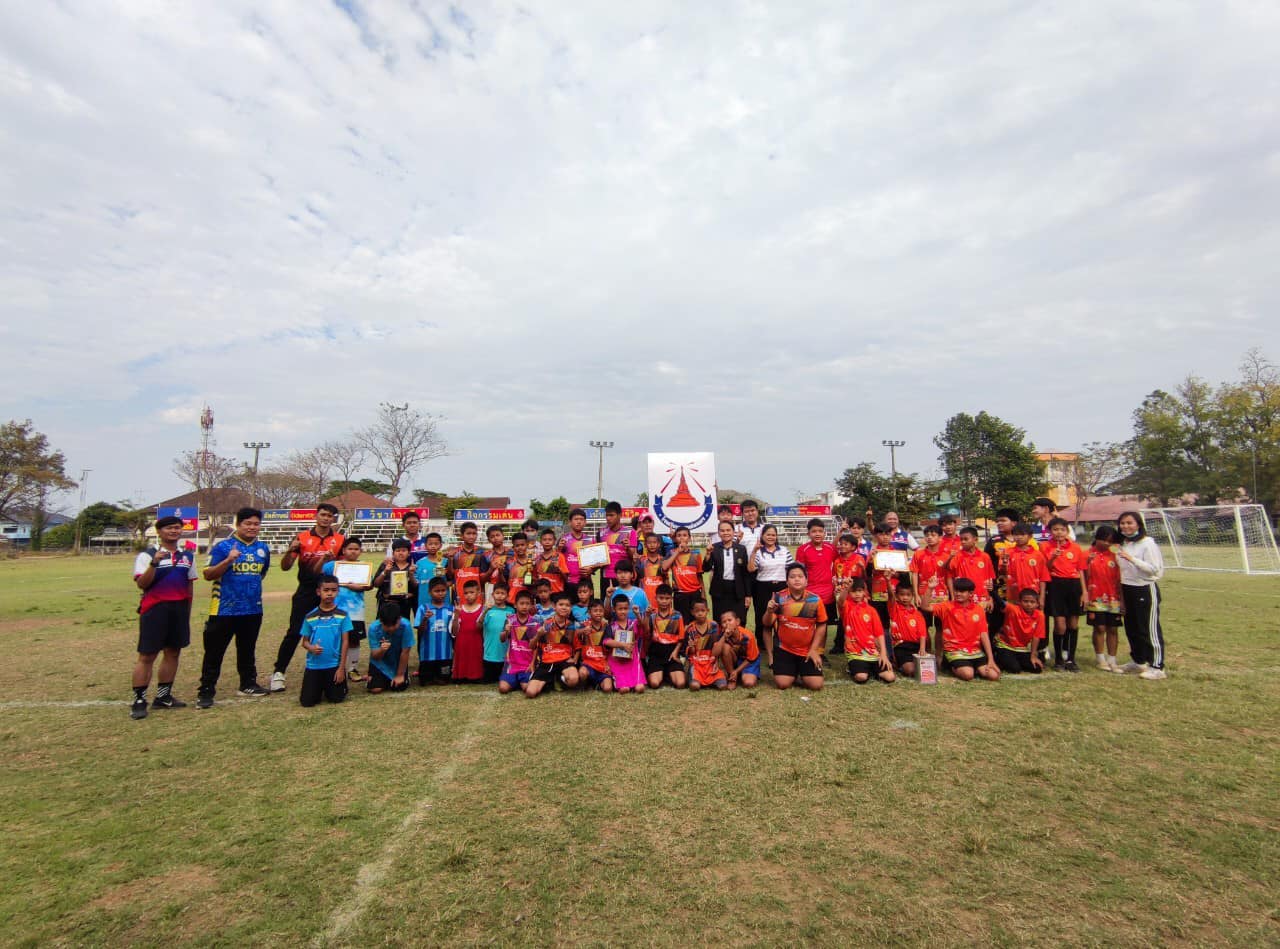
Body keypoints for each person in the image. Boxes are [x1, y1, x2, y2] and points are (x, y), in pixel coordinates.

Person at [198, 507, 271, 708]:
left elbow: (261, 573)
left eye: (256, 524)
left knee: (247, 649)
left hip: (252, 609)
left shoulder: (263, 548)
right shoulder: (223, 547)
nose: (252, 527)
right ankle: (206, 691)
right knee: (214, 652)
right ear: (238, 525)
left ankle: (248, 684)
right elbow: (208, 574)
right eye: (248, 523)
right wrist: (229, 560)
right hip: (224, 609)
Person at [271, 501, 345, 693]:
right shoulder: (302, 537)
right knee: (295, 631)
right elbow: (285, 567)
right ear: (316, 516)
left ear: (333, 519)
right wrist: (290, 549)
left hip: (329, 591)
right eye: (323, 514)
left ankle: (333, 669)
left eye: (329, 516)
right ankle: (279, 672)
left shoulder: (339, 539)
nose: (326, 519)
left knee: (332, 630)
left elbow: (344, 567)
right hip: (306, 590)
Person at [129, 515, 198, 719]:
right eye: (169, 528)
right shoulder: (147, 555)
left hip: (179, 609)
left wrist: (187, 612)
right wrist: (154, 564)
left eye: (177, 528)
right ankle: (139, 699)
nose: (174, 531)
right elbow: (142, 584)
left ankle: (163, 696)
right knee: (147, 655)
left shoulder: (187, 556)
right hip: (155, 609)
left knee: (173, 652)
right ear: (159, 531)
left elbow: (189, 585)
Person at [1115, 511, 1167, 679]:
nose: (1126, 526)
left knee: (1148, 629)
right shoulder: (1123, 543)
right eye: (1122, 523)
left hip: (1144, 588)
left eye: (1129, 523)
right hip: (1127, 588)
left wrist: (1132, 559)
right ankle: (1138, 661)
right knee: (1132, 628)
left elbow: (1154, 569)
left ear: (1138, 524)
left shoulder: (1147, 543)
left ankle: (1157, 667)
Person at [763, 562, 826, 691]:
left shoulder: (815, 600)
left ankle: (800, 671)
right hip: (784, 649)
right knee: (782, 684)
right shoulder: (778, 598)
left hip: (806, 650)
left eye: (800, 576)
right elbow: (767, 624)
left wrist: (814, 650)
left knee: (816, 685)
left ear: (806, 581)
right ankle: (791, 671)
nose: (796, 579)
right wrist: (769, 612)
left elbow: (821, 625)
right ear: (787, 581)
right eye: (792, 577)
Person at [928, 578, 999, 682]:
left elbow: (984, 634)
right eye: (956, 590)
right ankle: (949, 665)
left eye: (961, 591)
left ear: (971, 594)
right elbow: (925, 607)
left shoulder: (979, 609)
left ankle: (973, 668)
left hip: (975, 651)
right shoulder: (947, 606)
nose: (957, 593)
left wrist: (991, 659)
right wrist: (930, 589)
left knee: (994, 676)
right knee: (968, 675)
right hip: (954, 651)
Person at [322, 537, 370, 682]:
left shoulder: (364, 567)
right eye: (350, 549)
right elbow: (321, 575)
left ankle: (352, 669)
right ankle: (336, 667)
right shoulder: (333, 565)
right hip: (335, 610)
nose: (353, 552)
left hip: (356, 611)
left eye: (356, 549)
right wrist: (324, 559)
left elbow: (369, 585)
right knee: (335, 639)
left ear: (360, 551)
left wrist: (359, 587)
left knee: (354, 640)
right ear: (343, 550)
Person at [298, 575, 351, 707]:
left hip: (334, 665)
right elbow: (304, 642)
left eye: (333, 590)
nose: (329, 594)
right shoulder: (310, 616)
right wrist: (311, 648)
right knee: (307, 702)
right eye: (326, 590)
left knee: (336, 698)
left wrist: (341, 668)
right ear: (318, 592)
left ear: (338, 591)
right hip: (314, 666)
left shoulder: (343, 615)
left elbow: (345, 642)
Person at [1041, 517, 1086, 671]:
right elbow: (1044, 569)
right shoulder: (1045, 547)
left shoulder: (1076, 548)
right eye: (1055, 529)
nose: (1059, 532)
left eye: (1062, 529)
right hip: (1056, 585)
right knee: (1060, 625)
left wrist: (1084, 592)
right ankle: (1059, 659)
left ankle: (1071, 659)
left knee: (1073, 624)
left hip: (1074, 586)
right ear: (1050, 531)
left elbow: (1080, 571)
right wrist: (1053, 557)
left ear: (1067, 531)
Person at [836, 577, 895, 684]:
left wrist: (883, 654)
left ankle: (870, 669)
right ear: (849, 593)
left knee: (890, 677)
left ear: (864, 592)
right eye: (853, 591)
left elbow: (879, 633)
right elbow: (840, 601)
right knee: (861, 677)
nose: (857, 594)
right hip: (855, 652)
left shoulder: (871, 610)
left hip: (873, 652)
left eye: (859, 591)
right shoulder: (847, 607)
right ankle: (854, 668)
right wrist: (846, 588)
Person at [1005, 523, 1051, 662]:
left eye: (1022, 534)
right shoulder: (1008, 553)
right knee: (1014, 623)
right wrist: (1003, 565)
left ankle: (1040, 650)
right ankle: (1015, 650)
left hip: (1032, 597)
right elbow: (1001, 572)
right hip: (1014, 596)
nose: (1018, 537)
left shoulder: (1038, 555)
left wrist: (1041, 598)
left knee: (1038, 622)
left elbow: (1043, 577)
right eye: (1016, 534)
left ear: (1030, 536)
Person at [1083, 526, 1125, 673]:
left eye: (1110, 541)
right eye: (1104, 540)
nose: (1107, 544)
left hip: (1114, 598)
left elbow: (1121, 579)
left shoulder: (1116, 555)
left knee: (1113, 628)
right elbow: (1083, 577)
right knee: (1099, 627)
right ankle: (1100, 659)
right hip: (1095, 597)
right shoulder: (1087, 554)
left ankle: (1112, 660)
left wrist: (1122, 600)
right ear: (1097, 538)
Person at [794, 518, 838, 653]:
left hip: (828, 594)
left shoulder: (831, 548)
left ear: (824, 533)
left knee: (823, 624)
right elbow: (799, 572)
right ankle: (806, 651)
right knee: (807, 624)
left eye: (820, 531)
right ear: (808, 533)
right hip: (810, 594)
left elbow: (838, 565)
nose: (817, 534)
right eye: (814, 531)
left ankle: (820, 652)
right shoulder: (803, 549)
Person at [526, 591, 581, 697]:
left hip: (564, 660)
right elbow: (532, 646)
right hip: (547, 661)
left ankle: (559, 678)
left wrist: (575, 659)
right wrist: (538, 635)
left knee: (574, 680)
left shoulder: (571, 626)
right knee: (530, 692)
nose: (564, 607)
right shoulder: (545, 623)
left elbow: (578, 646)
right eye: (561, 604)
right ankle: (550, 680)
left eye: (567, 605)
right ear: (554, 607)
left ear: (570, 608)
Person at [703, 520, 749, 625]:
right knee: (720, 621)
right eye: (722, 531)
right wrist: (708, 554)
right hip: (719, 590)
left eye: (728, 530)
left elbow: (745, 574)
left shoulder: (741, 549)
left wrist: (748, 595)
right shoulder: (714, 548)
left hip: (737, 590)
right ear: (719, 533)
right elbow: (706, 568)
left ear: (733, 532)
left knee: (739, 620)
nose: (725, 533)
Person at [746, 524, 789, 637]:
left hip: (782, 587)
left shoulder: (784, 550)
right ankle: (761, 643)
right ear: (762, 536)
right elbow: (750, 569)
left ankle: (781, 642)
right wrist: (754, 551)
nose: (771, 537)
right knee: (762, 617)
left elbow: (791, 569)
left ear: (777, 536)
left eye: (773, 535)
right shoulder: (758, 551)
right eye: (768, 535)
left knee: (782, 616)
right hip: (763, 588)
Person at [644, 584, 687, 689]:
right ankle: (661, 672)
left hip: (672, 652)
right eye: (661, 598)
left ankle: (668, 672)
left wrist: (675, 652)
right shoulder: (652, 614)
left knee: (681, 683)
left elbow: (681, 638)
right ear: (656, 598)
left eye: (667, 598)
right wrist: (647, 616)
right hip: (656, 652)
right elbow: (646, 633)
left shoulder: (677, 615)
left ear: (671, 599)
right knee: (654, 684)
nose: (664, 601)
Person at [498, 590, 540, 695]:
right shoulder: (510, 620)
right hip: (512, 663)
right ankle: (514, 680)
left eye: (527, 604)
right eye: (522, 603)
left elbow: (536, 646)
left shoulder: (534, 622)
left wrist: (532, 664)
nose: (524, 606)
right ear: (515, 605)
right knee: (503, 688)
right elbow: (502, 639)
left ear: (531, 605)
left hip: (527, 664)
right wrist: (506, 631)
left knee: (526, 687)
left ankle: (520, 681)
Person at [995, 588, 1045, 675]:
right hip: (1005, 646)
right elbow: (1000, 602)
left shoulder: (1040, 615)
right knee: (1015, 669)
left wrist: (1033, 656)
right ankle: (998, 657)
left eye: (1032, 602)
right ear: (1020, 602)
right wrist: (991, 591)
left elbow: (1036, 637)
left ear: (1037, 604)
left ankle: (1012, 660)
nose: (1029, 604)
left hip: (1021, 649)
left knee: (1037, 668)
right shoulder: (1013, 609)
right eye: (1025, 601)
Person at [366, 602, 413, 693]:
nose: (391, 628)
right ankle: (374, 677)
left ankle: (404, 676)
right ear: (381, 621)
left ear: (399, 619)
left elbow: (405, 652)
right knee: (375, 689)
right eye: (387, 626)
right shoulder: (373, 628)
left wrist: (400, 675)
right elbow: (375, 656)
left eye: (394, 625)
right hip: (379, 662)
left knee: (398, 687)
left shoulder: (406, 626)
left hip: (398, 660)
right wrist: (382, 650)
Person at [415, 577, 454, 685]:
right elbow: (420, 632)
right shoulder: (423, 608)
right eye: (437, 591)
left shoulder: (451, 609)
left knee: (443, 681)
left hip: (445, 655)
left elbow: (454, 632)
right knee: (425, 682)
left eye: (443, 590)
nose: (440, 593)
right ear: (430, 592)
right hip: (427, 655)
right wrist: (425, 619)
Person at [596, 501, 639, 600]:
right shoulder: (601, 533)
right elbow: (597, 557)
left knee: (625, 606)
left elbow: (633, 556)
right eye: (607, 515)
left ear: (619, 515)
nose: (608, 518)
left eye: (611, 515)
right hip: (607, 577)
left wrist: (628, 548)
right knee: (607, 606)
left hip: (625, 577)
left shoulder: (630, 532)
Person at [603, 595, 646, 694]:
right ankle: (618, 682)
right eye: (620, 609)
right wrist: (622, 645)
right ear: (614, 609)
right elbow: (606, 641)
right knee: (624, 689)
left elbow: (642, 627)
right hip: (616, 661)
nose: (623, 611)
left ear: (629, 608)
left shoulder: (633, 623)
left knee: (640, 688)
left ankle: (634, 681)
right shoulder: (611, 626)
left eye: (625, 609)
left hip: (632, 661)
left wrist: (637, 614)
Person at [663, 526, 705, 623]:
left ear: (689, 538)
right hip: (680, 594)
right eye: (679, 535)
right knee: (682, 622)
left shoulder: (696, 554)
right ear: (675, 538)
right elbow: (664, 567)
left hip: (695, 593)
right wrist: (677, 552)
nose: (682, 538)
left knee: (696, 621)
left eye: (685, 535)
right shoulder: (672, 553)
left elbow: (699, 575)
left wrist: (703, 593)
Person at [886, 582, 929, 678]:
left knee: (926, 668)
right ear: (897, 596)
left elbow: (922, 634)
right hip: (901, 646)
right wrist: (888, 581)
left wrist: (922, 649)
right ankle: (898, 664)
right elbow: (890, 596)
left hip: (916, 646)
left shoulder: (918, 614)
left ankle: (899, 663)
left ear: (912, 596)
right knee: (911, 670)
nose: (905, 597)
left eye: (908, 595)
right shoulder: (895, 609)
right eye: (902, 594)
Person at [684, 600, 726, 691]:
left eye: (702, 610)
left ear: (707, 611)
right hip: (696, 663)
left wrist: (716, 661)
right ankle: (696, 679)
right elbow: (690, 652)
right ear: (692, 612)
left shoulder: (714, 626)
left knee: (722, 686)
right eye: (697, 611)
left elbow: (717, 646)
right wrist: (691, 646)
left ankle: (712, 679)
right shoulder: (690, 628)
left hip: (711, 661)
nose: (700, 613)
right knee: (694, 686)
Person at [373, 539, 419, 619]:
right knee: (384, 625)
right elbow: (376, 584)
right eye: (398, 551)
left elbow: (416, 587)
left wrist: (411, 574)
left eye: (404, 550)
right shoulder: (386, 565)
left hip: (404, 605)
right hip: (386, 603)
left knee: (402, 625)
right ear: (393, 553)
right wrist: (384, 572)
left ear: (409, 553)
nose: (401, 553)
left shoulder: (412, 567)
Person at [451, 580, 486, 683]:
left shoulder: (483, 609)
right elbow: (454, 632)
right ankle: (461, 675)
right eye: (466, 593)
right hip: (461, 644)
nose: (468, 595)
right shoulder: (458, 609)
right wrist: (456, 616)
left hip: (477, 643)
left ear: (478, 593)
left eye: (471, 592)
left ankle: (476, 675)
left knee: (475, 660)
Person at [715, 610, 760, 689]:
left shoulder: (748, 636)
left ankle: (736, 673)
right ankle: (732, 677)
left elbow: (750, 659)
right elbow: (715, 653)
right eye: (724, 622)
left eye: (730, 620)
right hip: (734, 659)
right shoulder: (722, 634)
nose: (727, 623)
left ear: (737, 622)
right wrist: (724, 637)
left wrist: (736, 671)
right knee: (725, 647)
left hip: (748, 661)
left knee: (748, 683)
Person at [480, 585, 515, 684]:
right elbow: (478, 625)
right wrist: (485, 611)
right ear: (492, 594)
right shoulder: (488, 609)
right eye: (497, 593)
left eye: (502, 593)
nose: (499, 596)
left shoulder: (511, 611)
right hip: (489, 652)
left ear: (507, 596)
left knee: (502, 679)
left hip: (504, 652)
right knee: (488, 680)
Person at [577, 599, 614, 692]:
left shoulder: (606, 626)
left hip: (602, 663)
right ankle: (587, 682)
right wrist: (582, 631)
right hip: (588, 662)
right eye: (595, 611)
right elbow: (575, 634)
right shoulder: (584, 625)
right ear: (589, 612)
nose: (598, 613)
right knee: (582, 673)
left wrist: (609, 663)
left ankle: (596, 684)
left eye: (601, 611)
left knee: (608, 688)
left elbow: (610, 646)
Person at [448, 522, 491, 603]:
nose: (471, 536)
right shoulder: (454, 553)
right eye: (468, 533)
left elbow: (484, 578)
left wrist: (491, 568)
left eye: (474, 533)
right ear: (462, 536)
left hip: (478, 598)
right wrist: (450, 560)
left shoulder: (482, 553)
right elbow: (450, 575)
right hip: (459, 596)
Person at [559, 508, 594, 592]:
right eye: (576, 519)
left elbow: (597, 562)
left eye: (581, 519)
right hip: (568, 581)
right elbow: (556, 558)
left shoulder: (591, 540)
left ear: (585, 522)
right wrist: (559, 549)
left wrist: (592, 569)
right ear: (570, 522)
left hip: (585, 582)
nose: (579, 522)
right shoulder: (563, 539)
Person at [636, 532, 669, 605]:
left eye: (654, 542)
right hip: (644, 599)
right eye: (649, 543)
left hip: (661, 599)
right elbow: (635, 577)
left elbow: (667, 579)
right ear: (645, 545)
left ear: (658, 544)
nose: (652, 545)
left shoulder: (663, 560)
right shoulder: (641, 560)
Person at [534, 528, 569, 595]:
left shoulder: (559, 556)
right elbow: (536, 578)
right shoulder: (538, 559)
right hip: (542, 595)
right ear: (540, 541)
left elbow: (566, 579)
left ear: (554, 541)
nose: (547, 542)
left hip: (557, 593)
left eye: (550, 539)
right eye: (544, 540)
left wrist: (559, 569)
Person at [484, 525, 511, 606]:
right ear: (489, 540)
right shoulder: (486, 555)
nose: (495, 538)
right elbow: (483, 578)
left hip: (510, 588)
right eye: (492, 536)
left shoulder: (512, 552)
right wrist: (491, 569)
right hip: (492, 588)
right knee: (492, 610)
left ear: (503, 536)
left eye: (498, 535)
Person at [505, 534, 536, 602]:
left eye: (522, 545)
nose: (520, 548)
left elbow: (536, 580)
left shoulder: (533, 560)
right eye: (517, 546)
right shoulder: (508, 562)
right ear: (513, 547)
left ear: (527, 545)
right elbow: (504, 581)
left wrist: (532, 581)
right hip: (511, 599)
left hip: (527, 600)